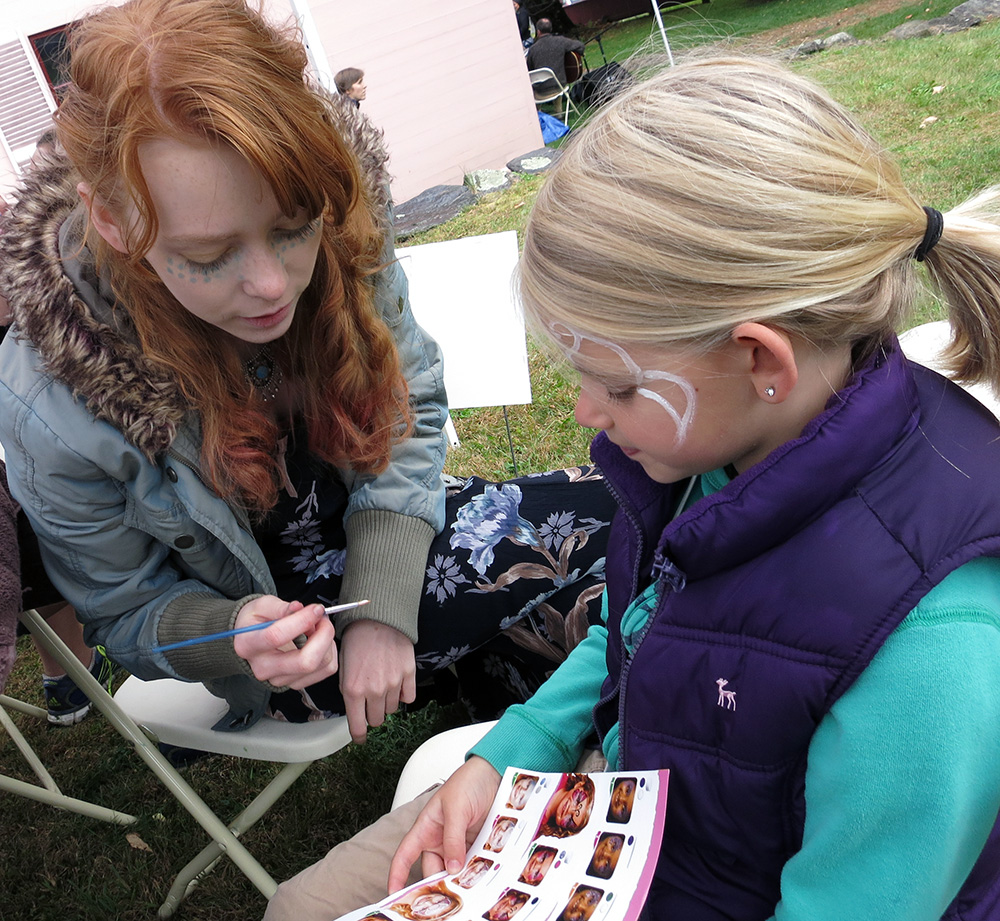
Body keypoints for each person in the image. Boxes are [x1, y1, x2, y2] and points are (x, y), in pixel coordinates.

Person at [263, 55, 1000, 921]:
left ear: (759, 357)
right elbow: (641, 614)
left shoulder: (932, 643)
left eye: (615, 386)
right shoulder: (726, 448)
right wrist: (510, 749)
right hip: (630, 820)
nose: (585, 410)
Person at [0, 0, 616, 747]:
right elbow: (123, 613)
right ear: (112, 222)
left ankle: (499, 679)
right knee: (631, 518)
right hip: (285, 641)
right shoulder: (46, 395)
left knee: (625, 527)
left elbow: (411, 404)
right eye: (206, 255)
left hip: (392, 526)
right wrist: (230, 633)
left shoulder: (343, 218)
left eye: (293, 227)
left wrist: (385, 603)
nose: (271, 285)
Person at [524, 18, 583, 89]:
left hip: (540, 90)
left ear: (538, 31)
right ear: (551, 29)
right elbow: (580, 46)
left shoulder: (532, 49)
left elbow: (530, 70)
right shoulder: (560, 41)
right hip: (560, 86)